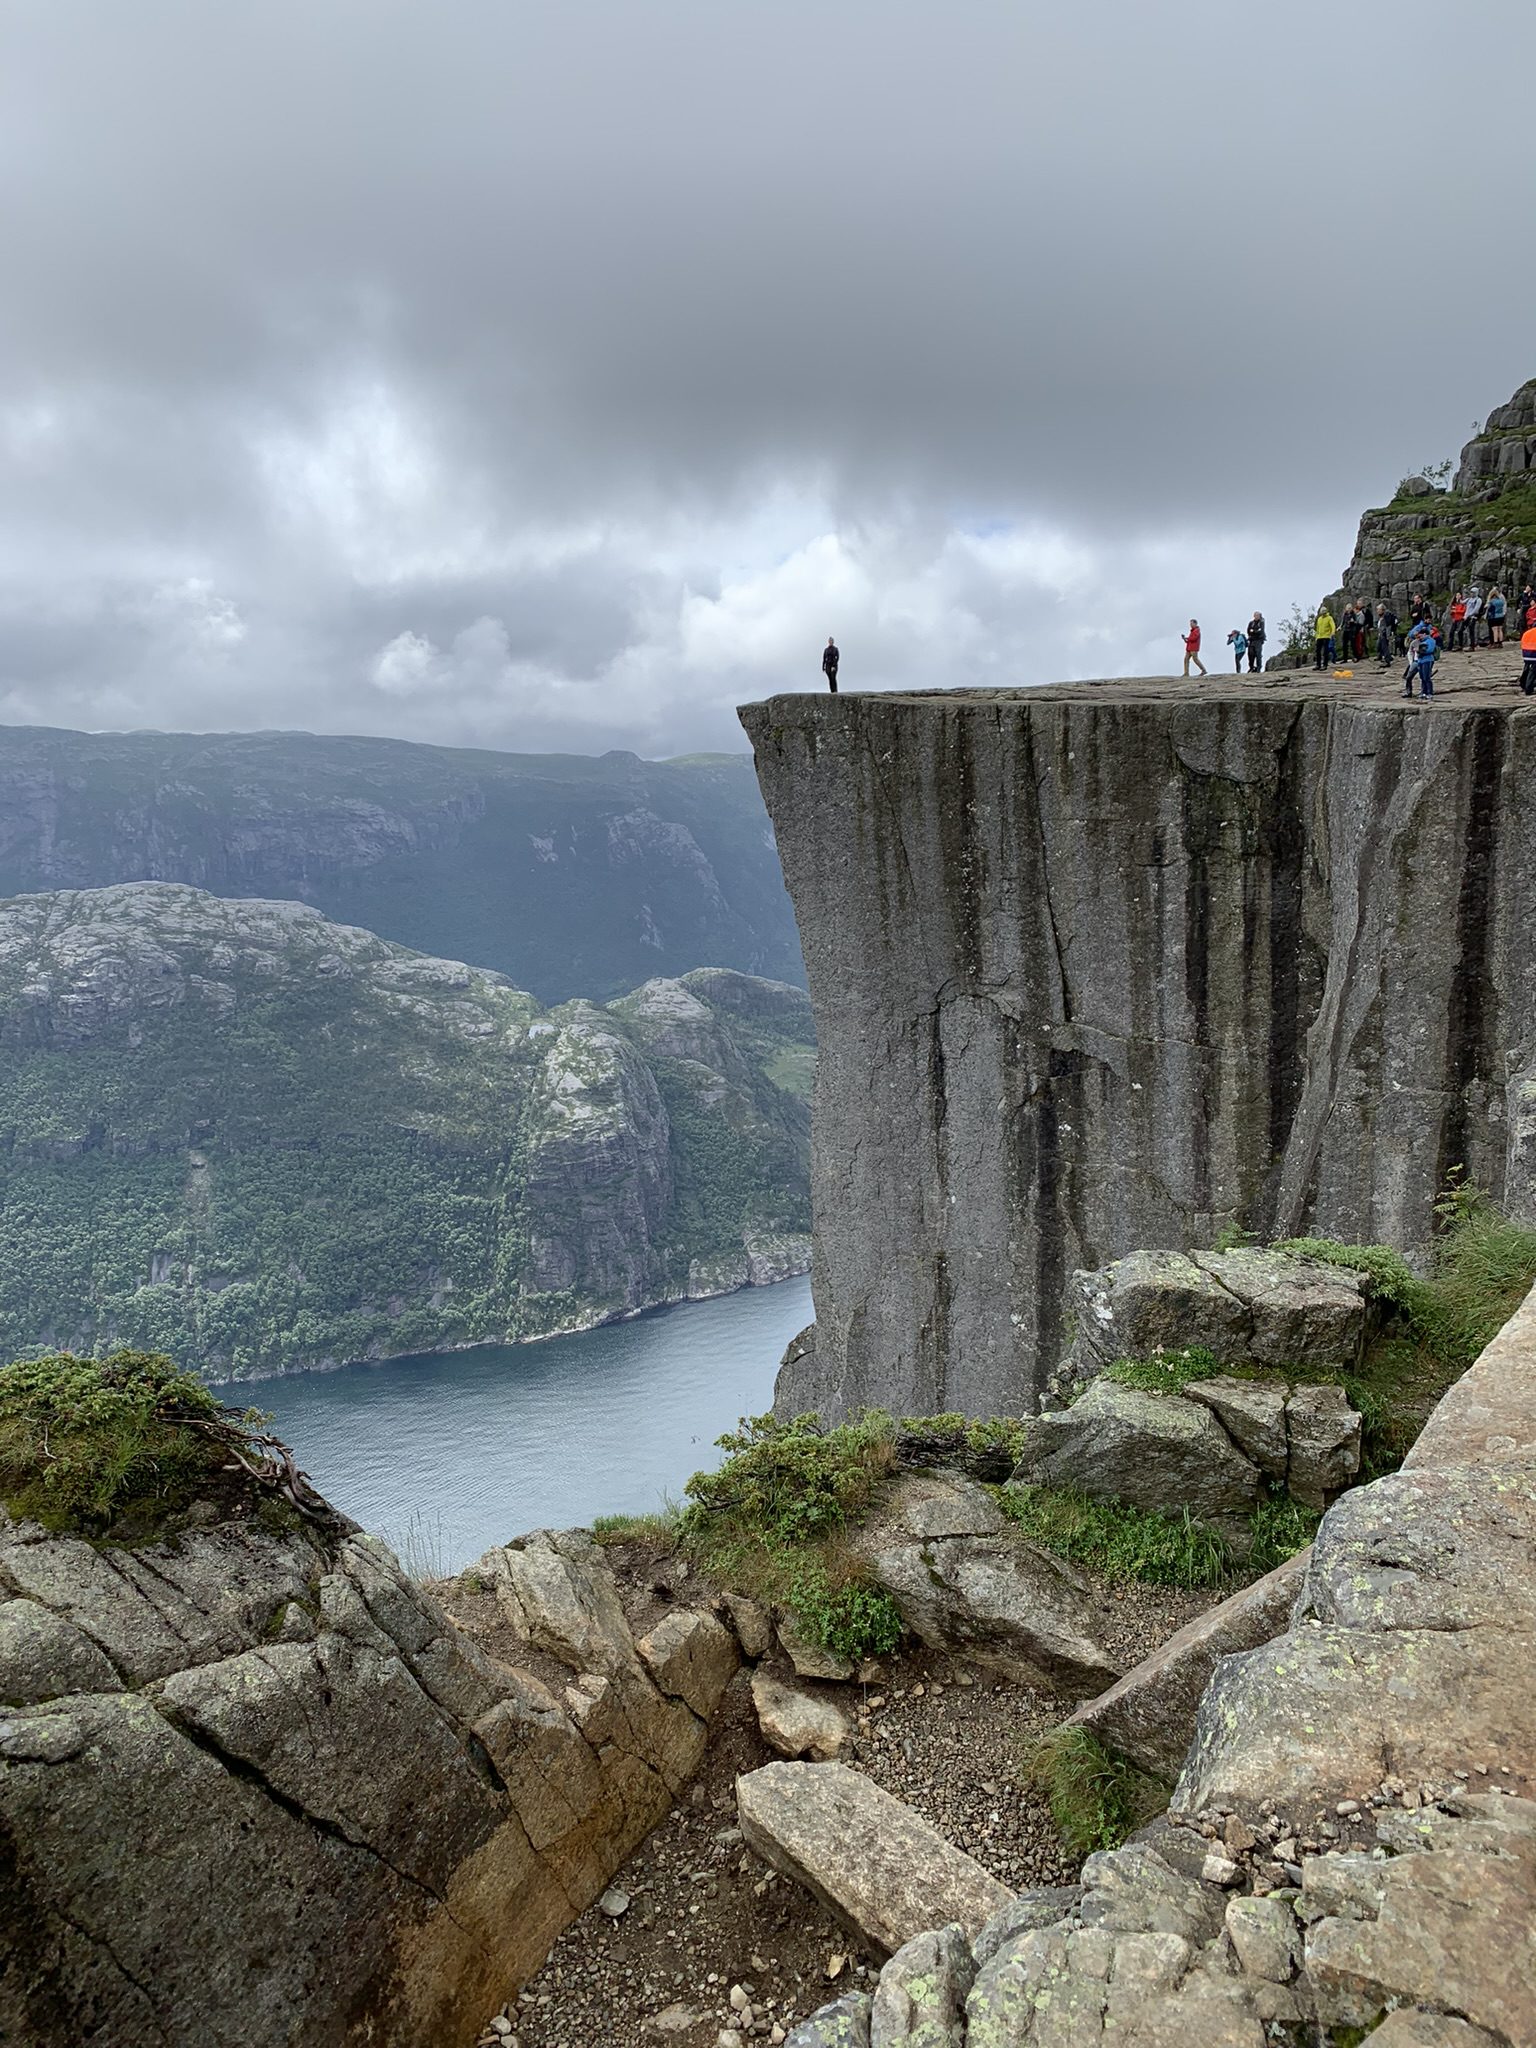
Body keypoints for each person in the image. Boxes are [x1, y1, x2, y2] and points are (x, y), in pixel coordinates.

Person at [1313, 604, 1337, 671]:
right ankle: (1318, 665)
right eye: (1322, 611)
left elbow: (1333, 626)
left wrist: (1333, 632)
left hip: (1326, 636)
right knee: (1318, 651)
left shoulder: (1329, 618)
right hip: (1319, 637)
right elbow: (1317, 628)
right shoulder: (1319, 619)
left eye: (1324, 611)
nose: (1323, 612)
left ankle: (1325, 665)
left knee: (1325, 651)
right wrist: (1316, 636)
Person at [1376, 602, 1397, 669]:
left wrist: (1387, 634)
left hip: (1385, 633)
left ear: (1382, 610)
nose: (1377, 611)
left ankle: (1387, 660)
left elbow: (1388, 625)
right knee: (1380, 645)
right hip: (1383, 633)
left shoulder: (1386, 615)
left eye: (1378, 610)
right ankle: (1387, 657)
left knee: (1385, 647)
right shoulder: (1383, 616)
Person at [1521, 623, 1536, 695]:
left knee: (1527, 668)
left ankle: (1523, 683)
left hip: (1526, 655)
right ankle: (1528, 688)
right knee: (1533, 671)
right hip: (1535, 654)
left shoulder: (1527, 633)